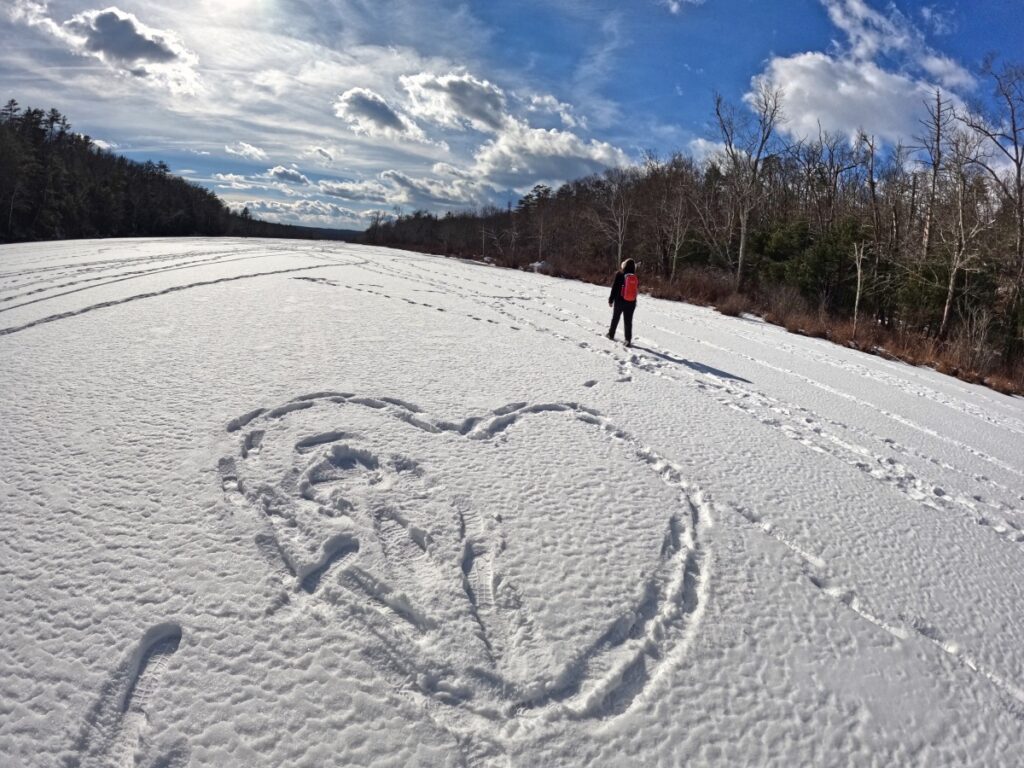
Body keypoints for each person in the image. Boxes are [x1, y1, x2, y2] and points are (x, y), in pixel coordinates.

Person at [607, 258, 638, 346]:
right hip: (631, 302)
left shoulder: (619, 274)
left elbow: (614, 288)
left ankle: (611, 334)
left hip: (619, 301)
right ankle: (627, 340)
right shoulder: (634, 276)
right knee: (628, 321)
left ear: (624, 265)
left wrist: (611, 300)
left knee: (615, 318)